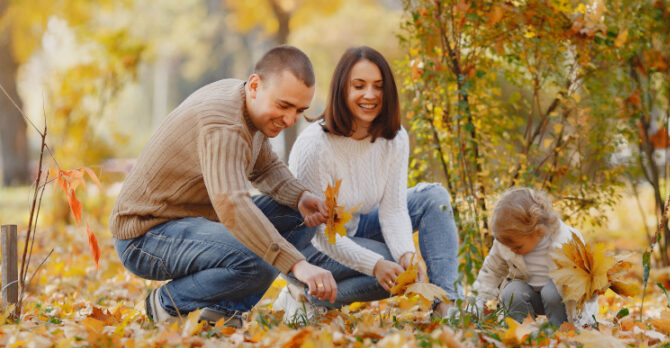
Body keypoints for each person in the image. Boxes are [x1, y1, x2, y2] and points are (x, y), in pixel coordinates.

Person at [109, 45, 336, 328]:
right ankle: (168, 302)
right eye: (283, 105)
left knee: (299, 216)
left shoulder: (244, 101)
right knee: (258, 257)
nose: (290, 120)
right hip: (145, 235)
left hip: (191, 222)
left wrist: (300, 196)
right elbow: (232, 206)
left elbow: (264, 167)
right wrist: (297, 264)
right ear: (255, 86)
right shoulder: (224, 125)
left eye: (299, 110)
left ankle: (223, 312)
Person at [278, 46, 461, 320]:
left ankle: (446, 304)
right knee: (391, 267)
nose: (370, 95)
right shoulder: (314, 147)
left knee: (432, 198)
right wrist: (376, 264)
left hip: (354, 227)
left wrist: (407, 256)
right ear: (342, 90)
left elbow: (394, 210)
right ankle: (303, 292)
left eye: (378, 86)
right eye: (359, 86)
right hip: (307, 248)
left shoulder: (395, 138)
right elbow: (321, 235)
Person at [471, 188, 597, 327]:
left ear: (538, 231)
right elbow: (491, 271)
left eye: (518, 247)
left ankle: (561, 331)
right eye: (508, 246)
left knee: (551, 292)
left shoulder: (565, 241)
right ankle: (521, 331)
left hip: (564, 300)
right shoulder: (509, 241)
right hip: (530, 294)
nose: (512, 250)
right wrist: (475, 305)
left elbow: (584, 286)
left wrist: (583, 321)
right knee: (512, 292)